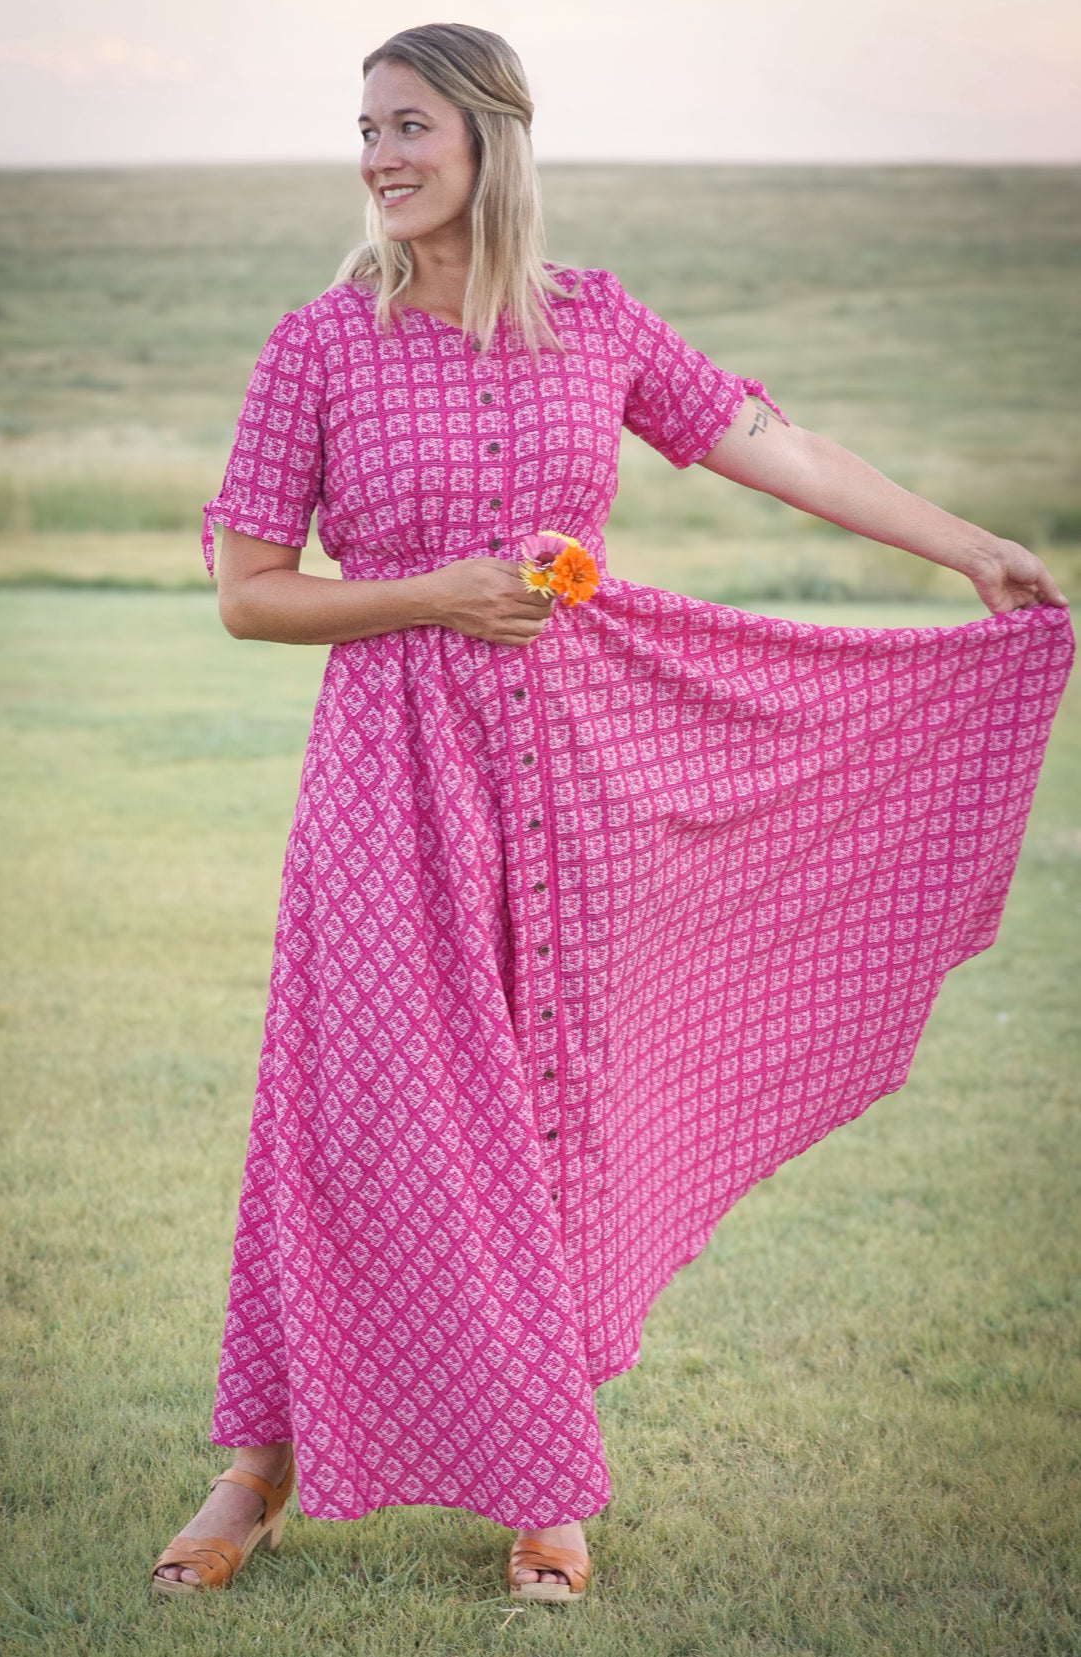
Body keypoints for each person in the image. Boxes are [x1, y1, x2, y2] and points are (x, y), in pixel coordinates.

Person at [151, 24, 1070, 1603]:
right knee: (356, 1109)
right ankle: (259, 1463)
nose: (378, 156)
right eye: (364, 127)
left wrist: (965, 544)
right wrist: (433, 591)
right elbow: (246, 596)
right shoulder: (319, 344)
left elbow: (773, 448)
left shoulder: (596, 323)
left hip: (583, 776)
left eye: (409, 127)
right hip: (389, 784)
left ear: (492, 138)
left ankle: (545, 1477)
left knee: (558, 1111)